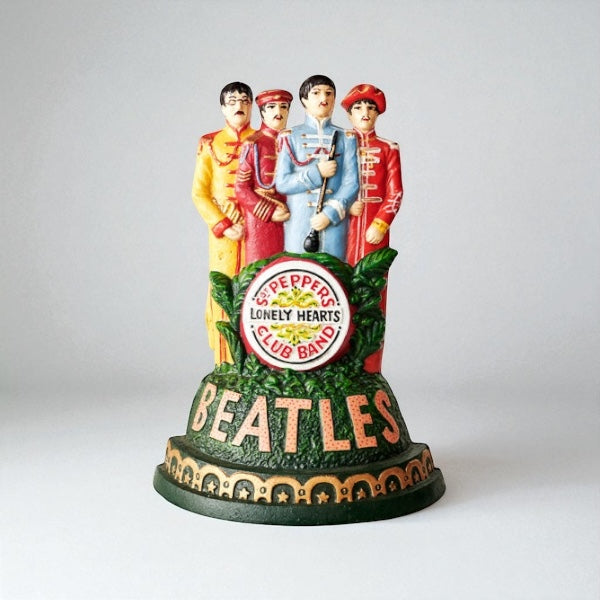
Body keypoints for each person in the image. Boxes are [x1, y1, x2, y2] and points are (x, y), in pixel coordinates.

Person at [341, 83, 403, 372]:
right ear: (350, 114)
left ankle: (369, 367)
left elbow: (395, 192)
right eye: (358, 107)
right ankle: (339, 361)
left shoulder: (388, 149)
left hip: (373, 232)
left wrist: (381, 223)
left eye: (370, 108)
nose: (365, 112)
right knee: (339, 288)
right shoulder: (339, 145)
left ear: (378, 113)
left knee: (372, 294)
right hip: (343, 228)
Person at [192, 82, 255, 364]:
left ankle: (256, 361)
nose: (238, 106)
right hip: (224, 237)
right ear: (223, 108)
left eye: (244, 101)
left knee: (256, 287)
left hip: (257, 229)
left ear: (252, 106)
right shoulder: (209, 143)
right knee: (222, 291)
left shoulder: (264, 140)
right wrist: (223, 224)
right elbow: (199, 193)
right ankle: (225, 361)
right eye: (232, 101)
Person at [275, 75, 359, 261]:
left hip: (334, 226)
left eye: (329, 93)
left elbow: (351, 183)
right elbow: (282, 183)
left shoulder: (346, 137)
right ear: (304, 99)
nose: (324, 98)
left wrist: (330, 214)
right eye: (316, 93)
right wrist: (316, 173)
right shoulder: (290, 136)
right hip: (299, 224)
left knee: (335, 272)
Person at [235, 89, 293, 265]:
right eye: (272, 107)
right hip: (261, 220)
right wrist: (268, 211)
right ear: (262, 112)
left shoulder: (292, 141)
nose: (278, 112)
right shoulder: (253, 144)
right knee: (261, 268)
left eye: (283, 107)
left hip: (291, 215)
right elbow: (241, 188)